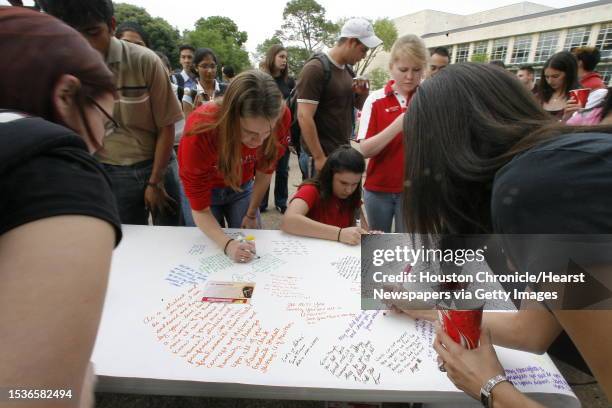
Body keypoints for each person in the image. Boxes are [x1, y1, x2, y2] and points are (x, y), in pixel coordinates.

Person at [394, 62, 612, 405]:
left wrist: (491, 388)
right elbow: (532, 330)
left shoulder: (535, 190)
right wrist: (424, 308)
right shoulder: (556, 167)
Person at [0, 7, 122, 406]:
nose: (101, 145)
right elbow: (37, 397)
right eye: (104, 121)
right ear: (67, 94)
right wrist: (77, 388)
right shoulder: (56, 172)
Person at [43, 0, 184, 227]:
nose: (84, 45)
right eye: (71, 35)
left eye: (92, 32)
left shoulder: (145, 61)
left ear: (111, 25)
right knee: (124, 241)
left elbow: (166, 126)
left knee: (172, 235)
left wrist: (155, 182)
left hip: (158, 165)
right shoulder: (62, 69)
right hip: (111, 171)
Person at [179, 70, 291, 263]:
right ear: (230, 117)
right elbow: (199, 209)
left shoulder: (281, 116)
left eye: (267, 132)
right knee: (206, 252)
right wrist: (227, 244)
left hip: (243, 186)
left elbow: (265, 170)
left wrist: (251, 212)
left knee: (253, 249)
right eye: (249, 132)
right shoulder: (201, 128)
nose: (258, 141)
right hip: (205, 189)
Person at [357, 34, 427, 233]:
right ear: (391, 67)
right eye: (403, 70)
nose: (410, 77)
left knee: (408, 248)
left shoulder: (430, 98)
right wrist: (399, 125)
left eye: (417, 70)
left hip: (415, 191)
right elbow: (365, 149)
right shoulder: (375, 99)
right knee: (379, 245)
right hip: (378, 189)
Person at [296, 17, 381, 177]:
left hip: (341, 152)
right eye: (363, 49)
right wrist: (319, 158)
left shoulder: (349, 70)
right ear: (351, 42)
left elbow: (358, 107)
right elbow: (304, 116)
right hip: (320, 155)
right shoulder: (316, 68)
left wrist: (363, 93)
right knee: (318, 201)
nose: (364, 56)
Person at [281, 146, 368, 245]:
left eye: (355, 184)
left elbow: (363, 230)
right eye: (343, 183)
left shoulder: (353, 196)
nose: (349, 190)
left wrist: (371, 237)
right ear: (330, 175)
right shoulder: (311, 190)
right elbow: (288, 221)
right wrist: (339, 234)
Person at [259, 44, 296, 214]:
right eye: (281, 56)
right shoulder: (261, 78)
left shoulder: (289, 81)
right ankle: (261, 202)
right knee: (263, 168)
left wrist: (292, 136)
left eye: (286, 57)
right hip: (263, 132)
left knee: (282, 169)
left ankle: (281, 201)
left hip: (283, 131)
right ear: (272, 57)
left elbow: (294, 108)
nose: (284, 60)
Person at [182, 47, 227, 116]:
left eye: (212, 66)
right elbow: (188, 126)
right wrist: (196, 114)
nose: (209, 71)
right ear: (196, 67)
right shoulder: (190, 96)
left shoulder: (227, 91)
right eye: (204, 66)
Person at [538, 50, 580, 119]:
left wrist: (566, 118)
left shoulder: (578, 96)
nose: (550, 81)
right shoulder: (539, 96)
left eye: (555, 76)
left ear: (569, 74)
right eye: (547, 77)